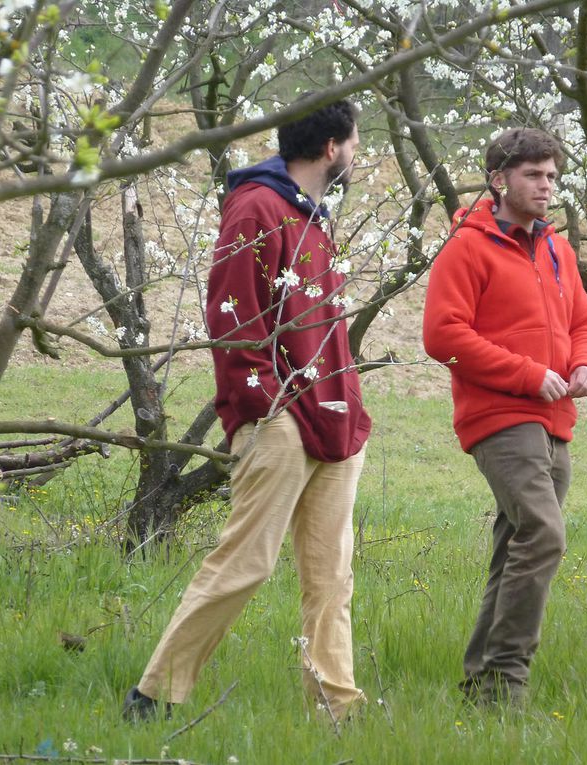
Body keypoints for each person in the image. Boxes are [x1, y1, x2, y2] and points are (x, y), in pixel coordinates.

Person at [123, 98, 372, 723]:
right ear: (332, 148)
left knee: (331, 579)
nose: (359, 154)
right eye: (356, 143)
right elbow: (232, 317)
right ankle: (153, 695)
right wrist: (269, 410)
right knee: (245, 563)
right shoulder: (256, 206)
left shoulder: (314, 216)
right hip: (281, 423)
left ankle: (337, 710)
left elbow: (324, 327)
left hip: (335, 423)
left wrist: (348, 410)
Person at [422, 127, 587, 708]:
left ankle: (483, 687)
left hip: (556, 419)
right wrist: (527, 374)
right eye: (534, 175)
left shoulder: (557, 248)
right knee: (545, 533)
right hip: (500, 417)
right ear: (499, 180)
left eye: (551, 176)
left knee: (518, 547)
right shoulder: (466, 247)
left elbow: (585, 323)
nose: (546, 186)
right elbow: (442, 336)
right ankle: (508, 679)